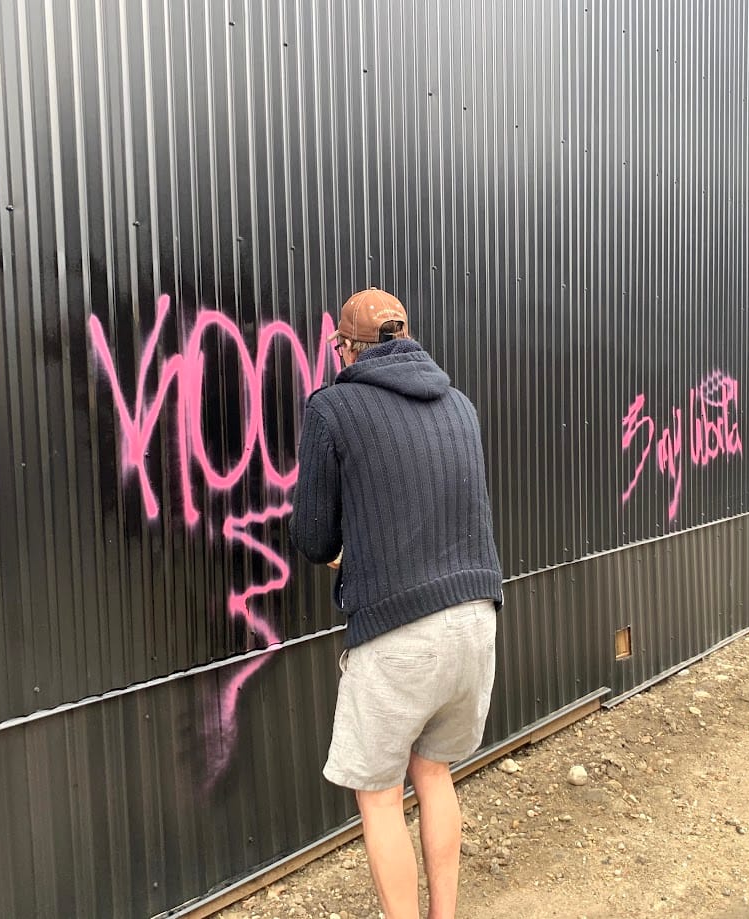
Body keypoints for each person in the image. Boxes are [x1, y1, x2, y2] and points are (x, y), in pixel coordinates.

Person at [290, 287, 503, 919]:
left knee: (380, 797)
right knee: (434, 774)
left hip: (400, 633)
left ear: (347, 348)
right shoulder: (458, 404)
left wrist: (343, 553)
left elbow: (311, 536)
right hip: (476, 619)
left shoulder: (333, 408)